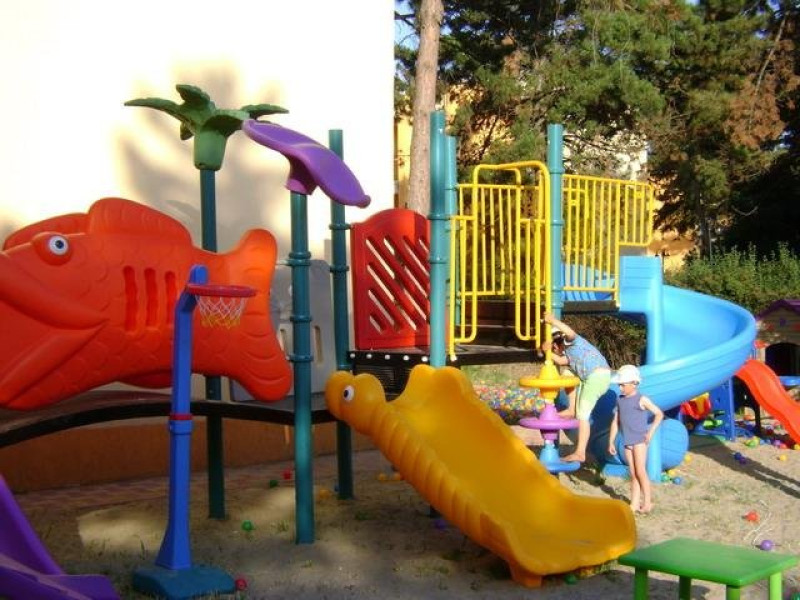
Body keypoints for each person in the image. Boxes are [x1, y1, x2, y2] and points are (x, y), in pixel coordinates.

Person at [542, 312, 611, 463]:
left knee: (583, 416)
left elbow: (570, 332)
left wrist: (553, 320)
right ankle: (571, 408)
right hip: (590, 378)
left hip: (597, 376)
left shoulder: (572, 342)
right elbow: (561, 361)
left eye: (553, 349)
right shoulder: (569, 355)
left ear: (556, 344)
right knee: (567, 373)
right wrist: (546, 351)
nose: (555, 351)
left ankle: (580, 453)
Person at [607, 364, 663, 514]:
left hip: (639, 441)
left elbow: (659, 414)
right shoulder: (620, 400)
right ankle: (634, 503)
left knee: (640, 471)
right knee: (633, 473)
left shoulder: (641, 399)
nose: (620, 388)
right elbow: (616, 421)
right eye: (619, 385)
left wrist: (650, 432)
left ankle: (647, 502)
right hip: (627, 441)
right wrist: (611, 441)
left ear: (634, 383)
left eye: (623, 385)